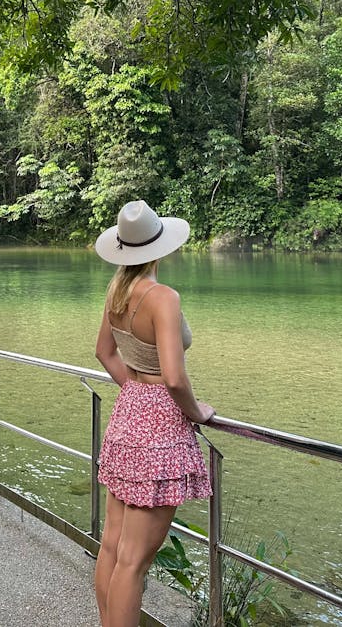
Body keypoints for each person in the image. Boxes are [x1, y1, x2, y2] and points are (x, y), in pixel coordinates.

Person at [92, 199, 215, 627]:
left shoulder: (117, 291)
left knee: (112, 548)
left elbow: (104, 353)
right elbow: (175, 378)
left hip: (127, 418)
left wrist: (136, 389)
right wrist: (197, 412)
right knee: (134, 563)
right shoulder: (163, 297)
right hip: (160, 428)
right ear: (160, 248)